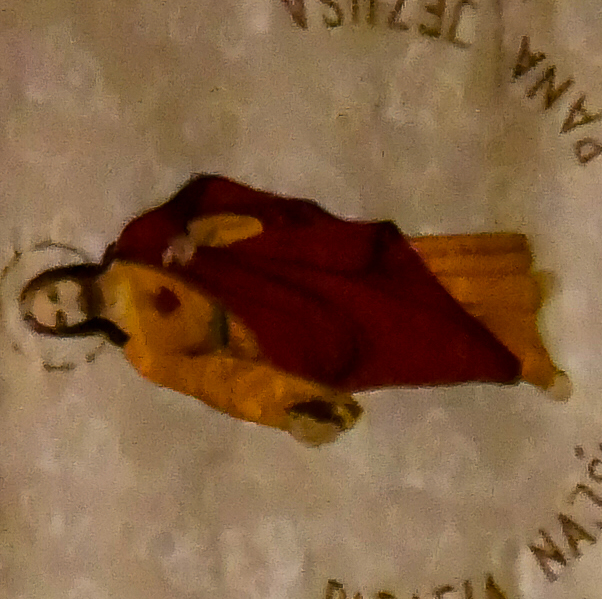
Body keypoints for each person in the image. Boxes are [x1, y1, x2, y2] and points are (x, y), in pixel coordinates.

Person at [18, 180, 562, 437]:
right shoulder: (144, 357)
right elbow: (219, 382)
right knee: (409, 347)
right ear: (71, 332)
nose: (66, 307)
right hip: (279, 338)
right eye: (58, 319)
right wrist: (289, 407)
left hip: (275, 277)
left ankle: (513, 286)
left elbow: (199, 202)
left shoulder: (137, 243)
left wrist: (197, 235)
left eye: (54, 295)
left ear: (61, 275)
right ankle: (519, 354)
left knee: (391, 289)